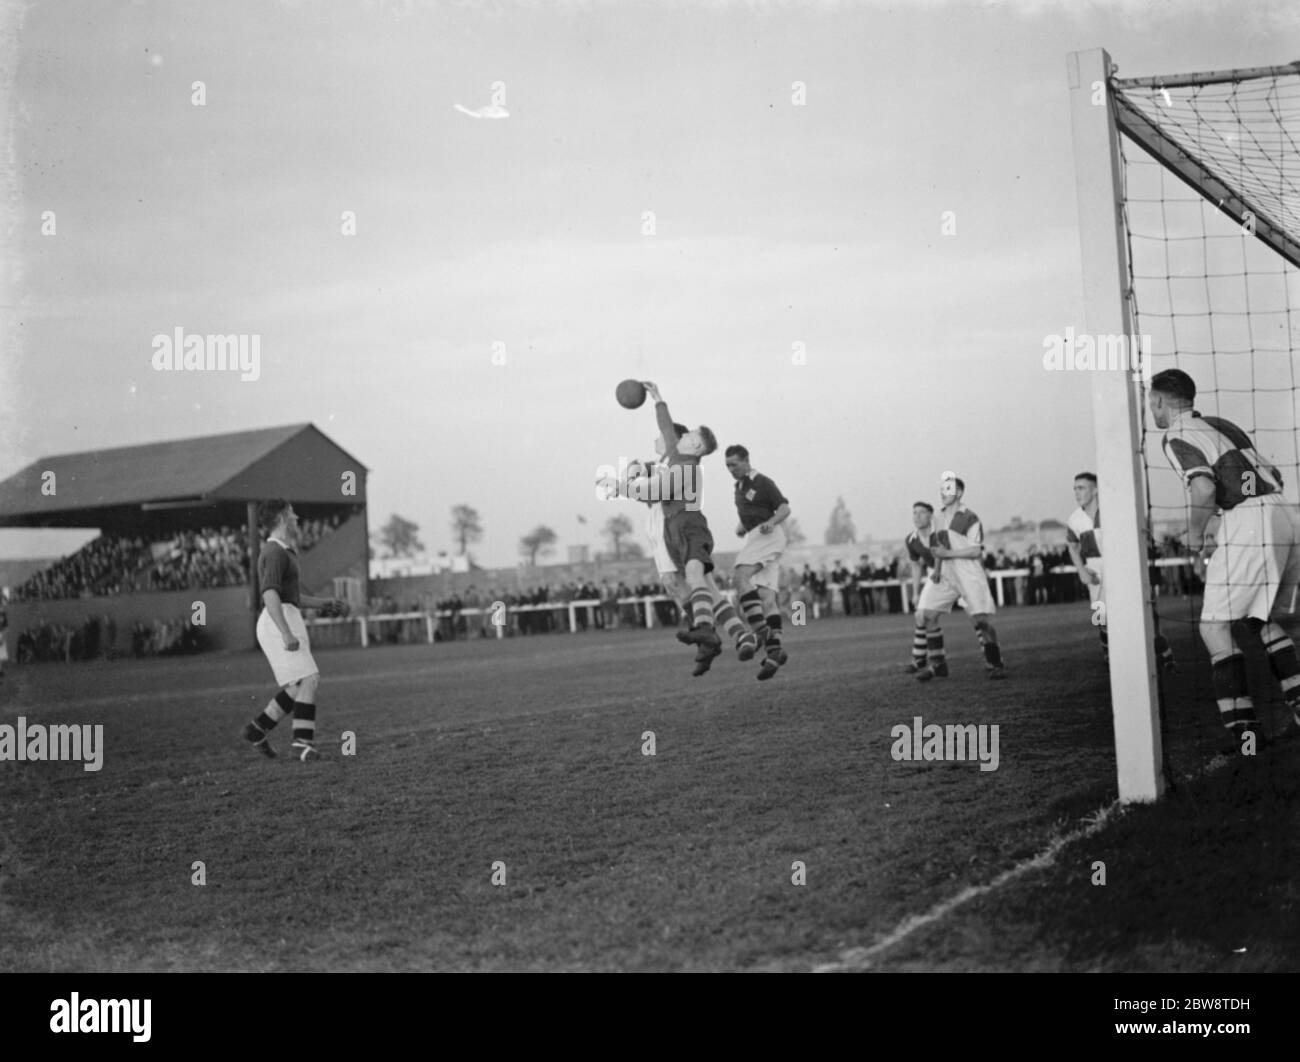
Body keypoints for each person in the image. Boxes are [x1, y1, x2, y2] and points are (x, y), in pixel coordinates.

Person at [1149, 369, 1300, 744]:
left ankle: (1245, 734)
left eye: (1150, 403)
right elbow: (1271, 474)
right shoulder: (1223, 425)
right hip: (1283, 513)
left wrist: (1197, 535)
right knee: (1256, 618)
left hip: (1251, 521)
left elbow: (1203, 488)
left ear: (1159, 401)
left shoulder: (1175, 435)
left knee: (1213, 627)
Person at [242, 499, 348, 761]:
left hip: (286, 616)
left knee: (299, 683)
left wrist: (322, 604)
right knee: (309, 678)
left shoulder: (283, 551)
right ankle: (302, 743)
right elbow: (270, 595)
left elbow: (289, 596)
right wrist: (286, 632)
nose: (297, 517)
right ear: (281, 518)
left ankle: (258, 729)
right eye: (292, 513)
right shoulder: (274, 552)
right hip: (279, 622)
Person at [641, 381, 728, 676]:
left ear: (690, 443)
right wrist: (658, 399)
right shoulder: (668, 459)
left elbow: (656, 491)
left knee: (679, 580)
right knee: (682, 586)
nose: (659, 439)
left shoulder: (678, 461)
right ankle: (713, 636)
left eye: (688, 435)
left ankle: (708, 633)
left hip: (676, 525)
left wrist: (628, 483)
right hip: (666, 525)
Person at [1064, 471, 1177, 671]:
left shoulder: (1113, 512)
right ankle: (1110, 654)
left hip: (1121, 565)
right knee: (1100, 616)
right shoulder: (1074, 519)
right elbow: (1072, 546)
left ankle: (1164, 653)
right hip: (1094, 570)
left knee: (1143, 613)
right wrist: (1081, 570)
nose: (1076, 492)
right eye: (1075, 488)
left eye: (1081, 488)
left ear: (1096, 489)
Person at [914, 473, 1007, 681]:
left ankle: (995, 662)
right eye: (941, 489)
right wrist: (938, 568)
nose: (942, 493)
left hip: (968, 572)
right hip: (947, 573)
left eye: (948, 489)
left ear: (960, 493)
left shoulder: (970, 518)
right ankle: (938, 664)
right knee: (927, 615)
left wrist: (948, 555)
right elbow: (939, 547)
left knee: (981, 621)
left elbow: (975, 551)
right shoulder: (937, 518)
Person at [724, 444, 792, 680]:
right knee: (766, 599)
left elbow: (784, 508)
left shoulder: (762, 481)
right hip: (758, 535)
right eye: (727, 466)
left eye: (734, 464)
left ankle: (760, 634)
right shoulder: (738, 487)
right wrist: (743, 526)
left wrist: (772, 522)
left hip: (768, 535)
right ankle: (774, 653)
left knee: (740, 576)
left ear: (746, 460)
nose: (731, 469)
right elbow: (753, 512)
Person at [902, 501, 939, 673]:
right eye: (914, 512)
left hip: (958, 571)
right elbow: (916, 566)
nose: (916, 516)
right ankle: (920, 659)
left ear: (930, 515)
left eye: (921, 512)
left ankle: (993, 660)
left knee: (976, 618)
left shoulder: (941, 533)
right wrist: (915, 592)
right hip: (935, 575)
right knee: (921, 614)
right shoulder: (911, 539)